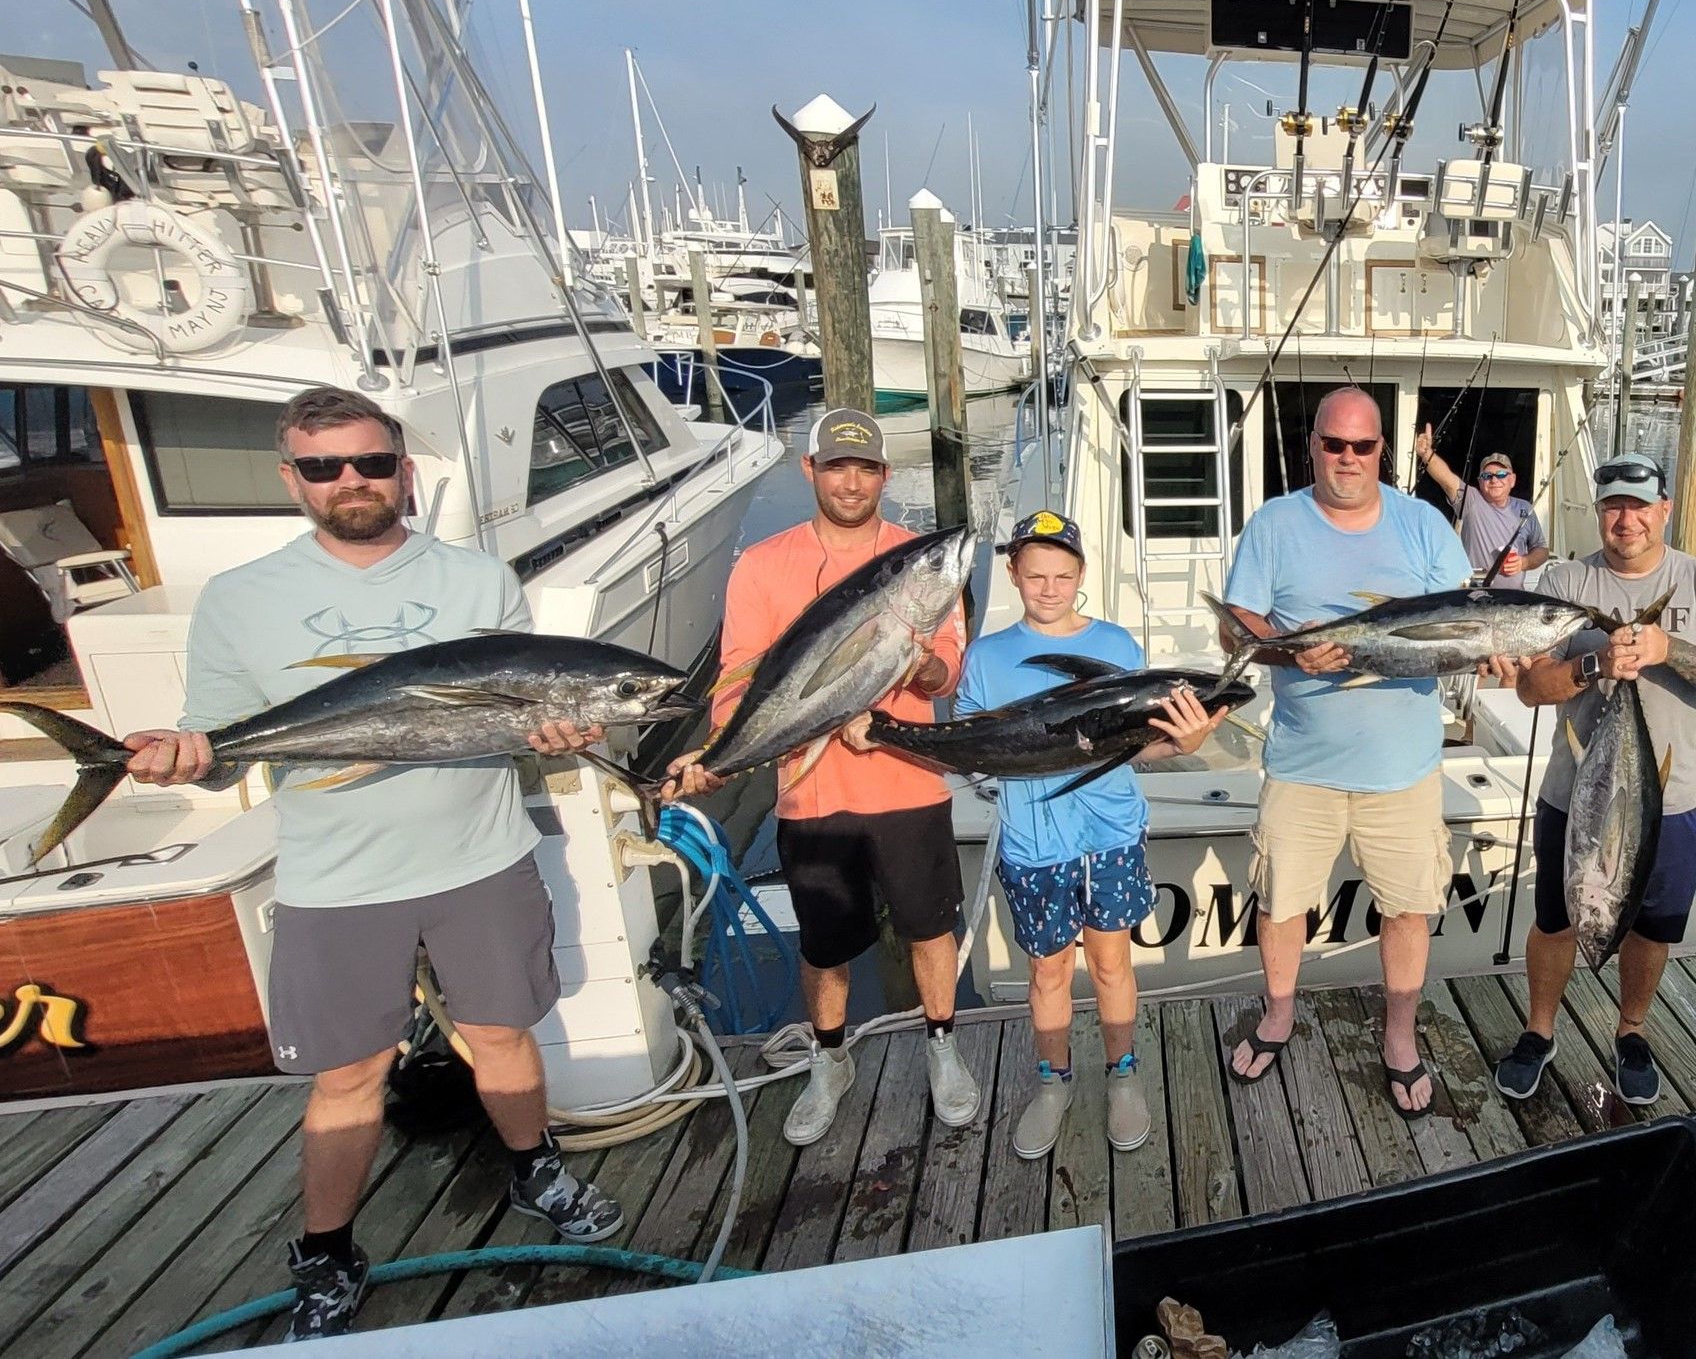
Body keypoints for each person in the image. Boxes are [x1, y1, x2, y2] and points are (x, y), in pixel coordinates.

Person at [123, 387, 623, 1341]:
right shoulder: (241, 599)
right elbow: (219, 737)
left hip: (481, 858)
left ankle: (535, 1167)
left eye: (371, 461)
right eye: (323, 466)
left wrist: (559, 735)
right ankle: (328, 1247)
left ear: (402, 468)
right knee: (349, 1074)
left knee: (506, 1033)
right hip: (337, 876)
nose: (350, 480)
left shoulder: (479, 578)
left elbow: (529, 725)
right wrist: (187, 753)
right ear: (292, 478)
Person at [859, 510, 1217, 1160]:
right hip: (1033, 845)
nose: (1049, 587)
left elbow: (1133, 750)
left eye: (1062, 575)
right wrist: (883, 731)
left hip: (1109, 833)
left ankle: (1123, 1071)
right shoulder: (988, 655)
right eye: (1036, 575)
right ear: (1016, 575)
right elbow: (965, 747)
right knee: (1047, 969)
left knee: (1112, 961)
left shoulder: (1117, 645)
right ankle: (1052, 1081)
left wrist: (1183, 741)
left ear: (1081, 575)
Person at [664, 408, 978, 1148]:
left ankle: (942, 1043)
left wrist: (925, 663)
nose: (850, 480)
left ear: (883, 476)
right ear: (810, 471)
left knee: (930, 926)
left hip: (910, 781)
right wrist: (720, 752)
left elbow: (949, 669)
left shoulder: (916, 562)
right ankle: (829, 1058)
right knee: (824, 943)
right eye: (836, 466)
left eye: (865, 467)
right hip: (811, 790)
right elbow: (737, 678)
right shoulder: (762, 564)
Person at [1218, 386, 1502, 1117]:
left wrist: (1492, 651)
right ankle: (1279, 1015)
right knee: (1282, 902)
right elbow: (1238, 625)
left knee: (1408, 908)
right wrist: (1285, 653)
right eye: (1333, 444)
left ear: (1384, 450)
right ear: (1313, 444)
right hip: (1300, 765)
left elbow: (1457, 625)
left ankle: (1400, 1038)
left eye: (1363, 446)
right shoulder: (1275, 523)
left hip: (1402, 772)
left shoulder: (1423, 526)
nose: (1347, 458)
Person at [1492, 452, 1696, 1106]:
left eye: (1640, 505)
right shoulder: (1562, 582)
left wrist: (1671, 650)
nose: (1627, 518)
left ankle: (1631, 1030)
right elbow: (1529, 687)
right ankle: (1539, 1028)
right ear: (1600, 512)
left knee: (1653, 926)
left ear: (1664, 509)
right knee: (1556, 917)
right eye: (1614, 505)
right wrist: (1594, 666)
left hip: (1669, 801)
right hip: (1574, 796)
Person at [1413, 425, 1548, 589]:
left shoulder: (1525, 508)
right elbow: (1446, 480)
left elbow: (1541, 549)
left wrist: (1524, 562)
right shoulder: (1471, 500)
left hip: (1513, 600)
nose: (1494, 480)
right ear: (1479, 481)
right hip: (1476, 596)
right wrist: (1426, 454)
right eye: (1487, 475)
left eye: (1501, 475)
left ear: (1512, 480)